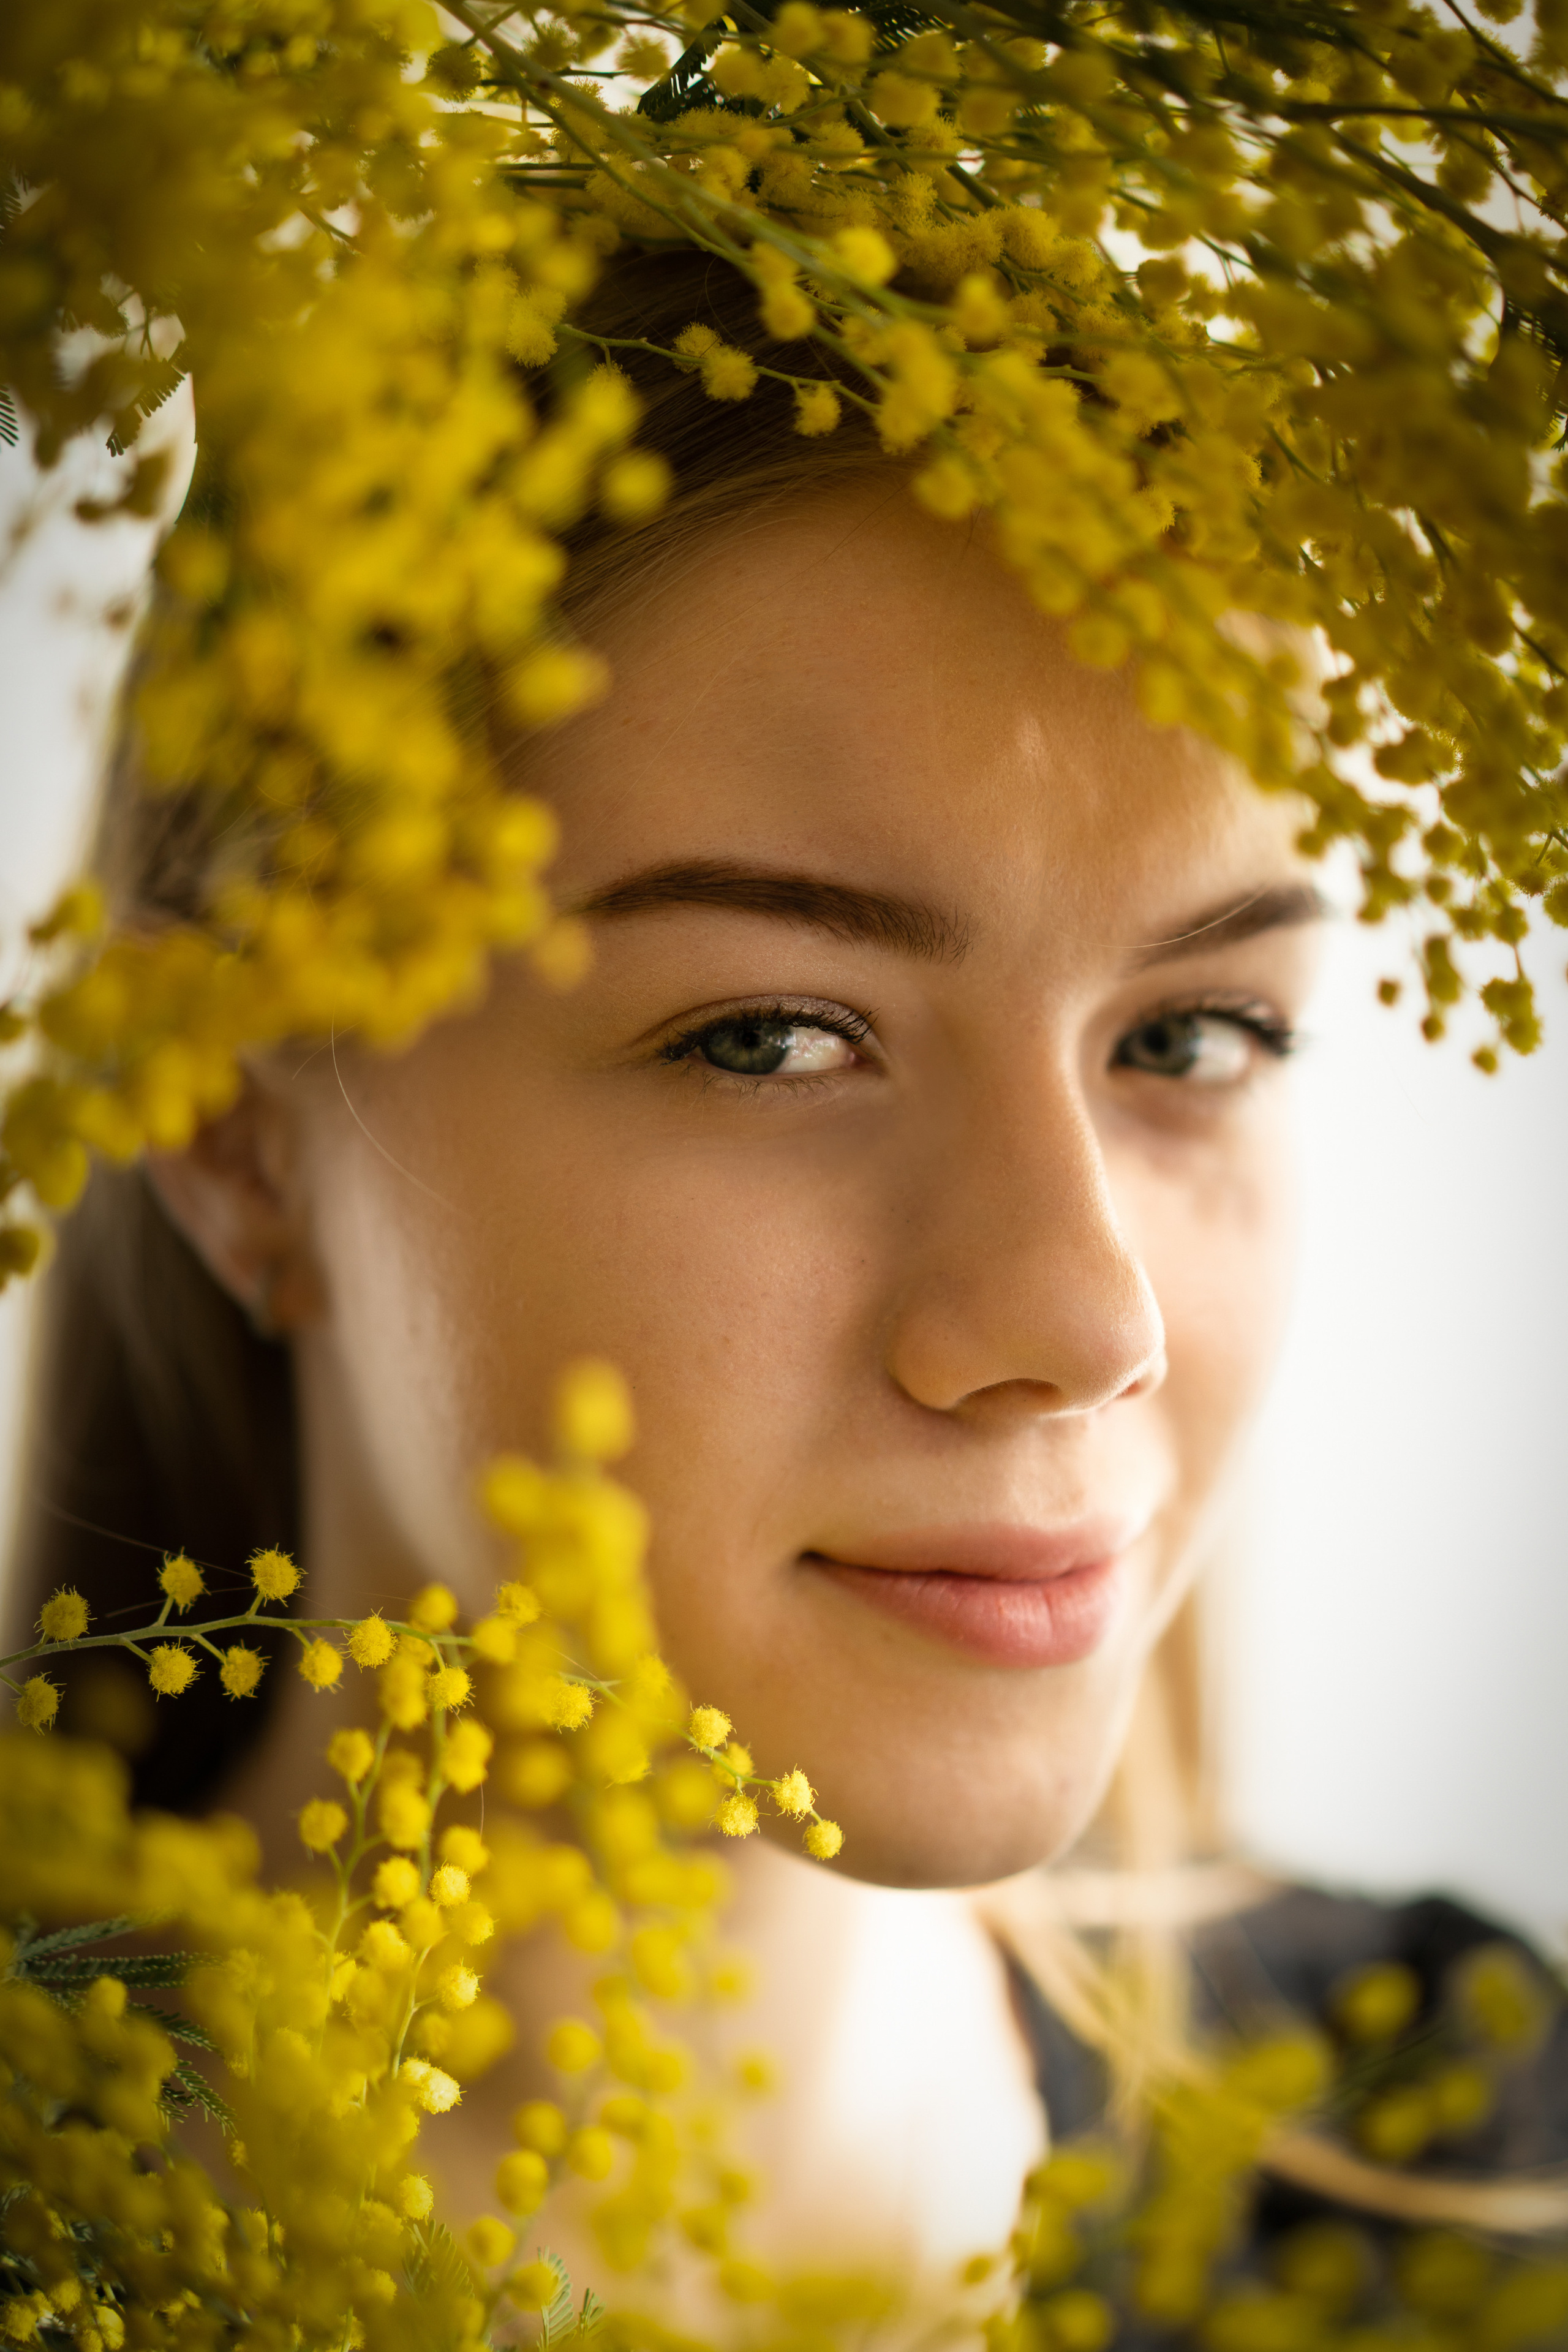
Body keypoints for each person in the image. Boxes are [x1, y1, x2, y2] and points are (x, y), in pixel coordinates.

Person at [6, 253, 1562, 2297]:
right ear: (230, 1128)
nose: (1086, 1326)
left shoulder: (1465, 2157)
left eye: (1193, 1037)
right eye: (770, 1037)